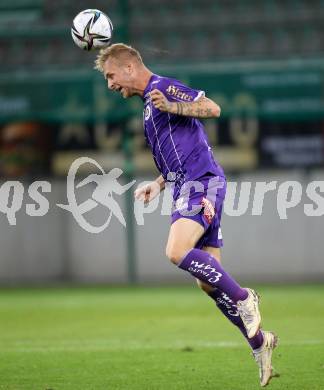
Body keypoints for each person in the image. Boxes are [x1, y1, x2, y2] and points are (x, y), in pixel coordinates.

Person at [94, 43, 278, 387]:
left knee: (176, 251)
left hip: (201, 182)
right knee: (207, 281)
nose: (110, 84)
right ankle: (258, 342)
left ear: (130, 67)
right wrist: (159, 184)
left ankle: (244, 297)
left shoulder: (162, 88)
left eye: (111, 76)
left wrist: (174, 104)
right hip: (185, 185)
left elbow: (212, 108)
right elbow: (180, 148)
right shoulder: (148, 108)